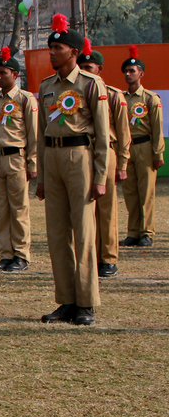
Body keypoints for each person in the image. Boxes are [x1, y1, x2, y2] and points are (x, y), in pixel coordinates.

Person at [36, 14, 110, 326]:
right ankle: (66, 300)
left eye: (59, 48)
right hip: (52, 158)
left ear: (74, 53)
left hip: (80, 156)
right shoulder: (46, 87)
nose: (52, 52)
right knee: (56, 234)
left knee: (83, 231)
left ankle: (86, 302)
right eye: (51, 48)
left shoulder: (91, 84)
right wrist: (40, 176)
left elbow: (104, 135)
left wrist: (101, 176)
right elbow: (41, 132)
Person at [78, 42, 130, 277]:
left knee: (106, 208)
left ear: (100, 69)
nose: (85, 70)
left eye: (89, 67)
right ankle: (89, 255)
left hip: (106, 152)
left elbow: (123, 132)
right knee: (84, 207)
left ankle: (108, 258)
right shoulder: (72, 94)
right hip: (80, 154)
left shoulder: (112, 95)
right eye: (81, 66)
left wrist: (123, 163)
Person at [0, 47, 37, 273]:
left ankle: (21, 254)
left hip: (16, 157)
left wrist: (33, 163)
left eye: (3, 73)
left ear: (15, 75)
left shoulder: (25, 99)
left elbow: (33, 133)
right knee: (1, 209)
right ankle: (6, 254)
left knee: (19, 209)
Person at [120, 47, 164, 247]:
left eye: (133, 71)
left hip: (145, 147)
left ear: (141, 73)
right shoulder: (120, 98)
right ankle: (133, 232)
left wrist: (158, 153)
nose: (128, 74)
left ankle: (147, 232)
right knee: (130, 192)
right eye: (126, 71)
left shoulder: (149, 98)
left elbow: (157, 128)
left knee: (146, 192)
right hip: (127, 149)